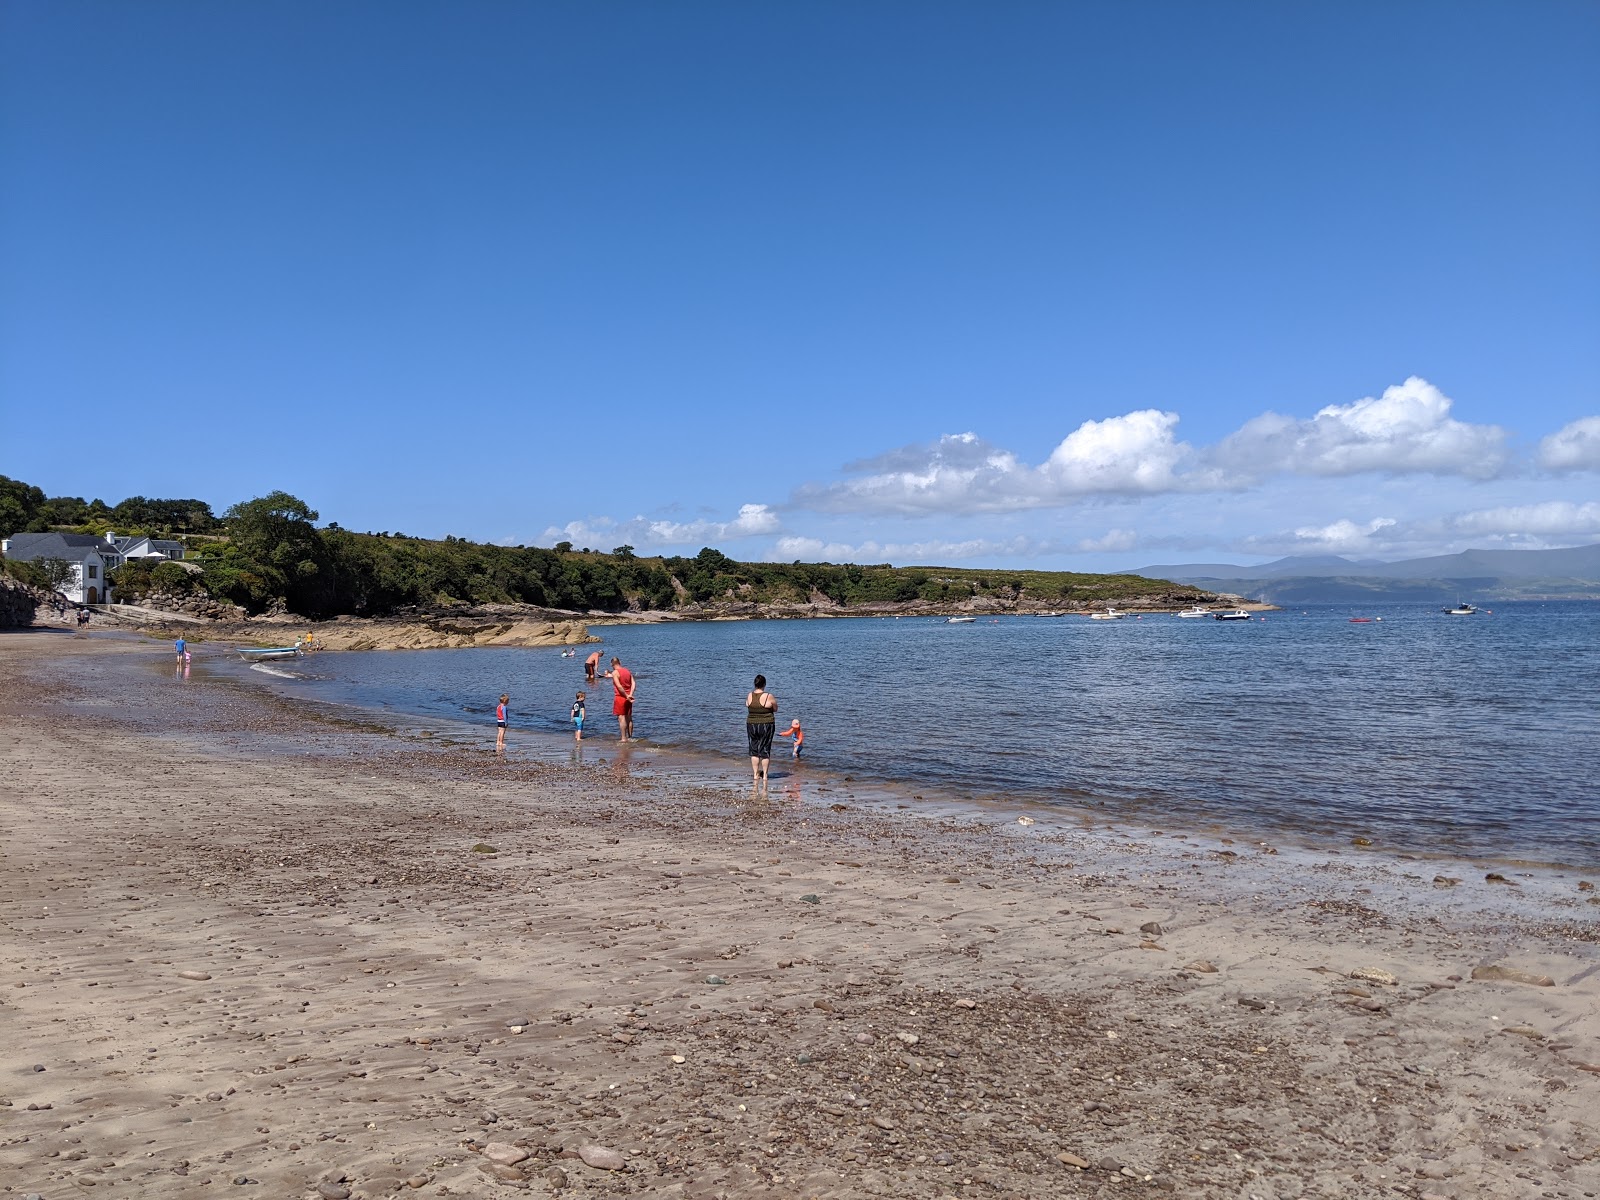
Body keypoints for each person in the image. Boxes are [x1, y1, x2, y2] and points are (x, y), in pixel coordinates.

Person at [746, 674, 777, 785]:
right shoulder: (768, 696)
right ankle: (765, 776)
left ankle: (755, 774)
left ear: (755, 684)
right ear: (764, 684)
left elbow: (747, 705)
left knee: (754, 749)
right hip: (766, 724)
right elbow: (775, 708)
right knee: (765, 749)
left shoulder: (749, 695)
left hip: (751, 724)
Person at [607, 657, 635, 741]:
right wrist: (630, 694)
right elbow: (633, 683)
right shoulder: (627, 671)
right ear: (620, 662)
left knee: (621, 717)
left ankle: (623, 738)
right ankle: (630, 737)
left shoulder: (615, 672)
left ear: (612, 664)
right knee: (629, 717)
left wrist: (626, 696)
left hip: (621, 697)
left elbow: (619, 686)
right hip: (629, 697)